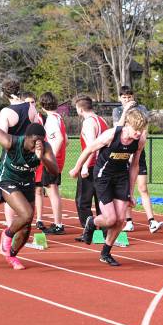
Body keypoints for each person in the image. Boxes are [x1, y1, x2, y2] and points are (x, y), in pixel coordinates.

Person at [0, 123, 58, 270]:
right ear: (26, 138)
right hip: (7, 179)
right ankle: (6, 235)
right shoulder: (11, 141)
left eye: (40, 140)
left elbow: (54, 171)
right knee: (27, 213)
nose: (37, 144)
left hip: (27, 183)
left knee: (26, 227)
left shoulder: (44, 148)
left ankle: (11, 255)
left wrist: (42, 159)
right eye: (34, 141)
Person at [70, 108, 148, 266]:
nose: (139, 133)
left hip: (121, 177)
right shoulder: (112, 135)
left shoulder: (139, 141)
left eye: (141, 130)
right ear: (127, 125)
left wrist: (130, 193)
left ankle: (105, 253)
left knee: (120, 220)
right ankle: (91, 222)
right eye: (136, 130)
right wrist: (77, 168)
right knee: (111, 218)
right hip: (103, 176)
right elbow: (89, 149)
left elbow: (134, 166)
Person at [112, 86, 163, 233]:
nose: (127, 99)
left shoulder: (141, 108)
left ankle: (152, 221)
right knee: (126, 189)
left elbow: (144, 130)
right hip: (122, 153)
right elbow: (118, 128)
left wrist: (138, 147)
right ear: (120, 98)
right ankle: (128, 221)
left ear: (133, 97)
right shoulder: (117, 111)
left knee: (143, 187)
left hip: (137, 153)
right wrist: (125, 110)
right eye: (124, 97)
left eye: (129, 97)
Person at [0, 79, 38, 229]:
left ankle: (11, 227)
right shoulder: (31, 108)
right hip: (28, 154)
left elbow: (3, 137)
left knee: (10, 190)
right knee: (26, 189)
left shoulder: (6, 112)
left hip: (12, 156)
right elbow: (35, 132)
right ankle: (23, 227)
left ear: (4, 94)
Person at [73, 95, 106, 241]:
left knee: (82, 201)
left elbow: (93, 146)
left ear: (80, 109)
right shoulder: (102, 120)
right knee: (101, 200)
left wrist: (85, 166)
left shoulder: (88, 123)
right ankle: (105, 230)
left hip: (92, 165)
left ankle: (89, 230)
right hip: (103, 165)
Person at [38, 91, 67, 235]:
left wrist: (51, 157)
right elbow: (66, 140)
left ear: (43, 106)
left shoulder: (50, 120)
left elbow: (60, 138)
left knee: (52, 191)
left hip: (53, 161)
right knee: (53, 191)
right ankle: (58, 223)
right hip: (58, 159)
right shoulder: (59, 117)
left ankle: (58, 224)